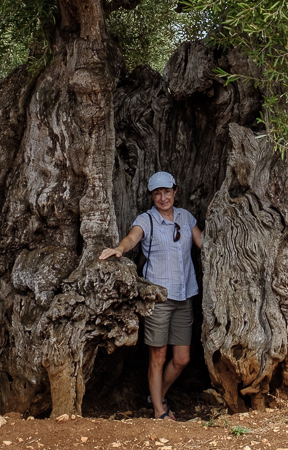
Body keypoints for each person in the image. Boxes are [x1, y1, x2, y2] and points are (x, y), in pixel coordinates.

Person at [99, 171, 203, 420]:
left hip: (184, 295)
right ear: (151, 196)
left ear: (175, 191)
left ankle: (156, 395)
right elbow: (132, 238)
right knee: (158, 356)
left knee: (182, 358)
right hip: (159, 299)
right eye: (157, 193)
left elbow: (203, 244)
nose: (163, 197)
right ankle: (159, 411)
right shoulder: (148, 220)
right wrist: (118, 249)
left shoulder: (186, 217)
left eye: (167, 191)